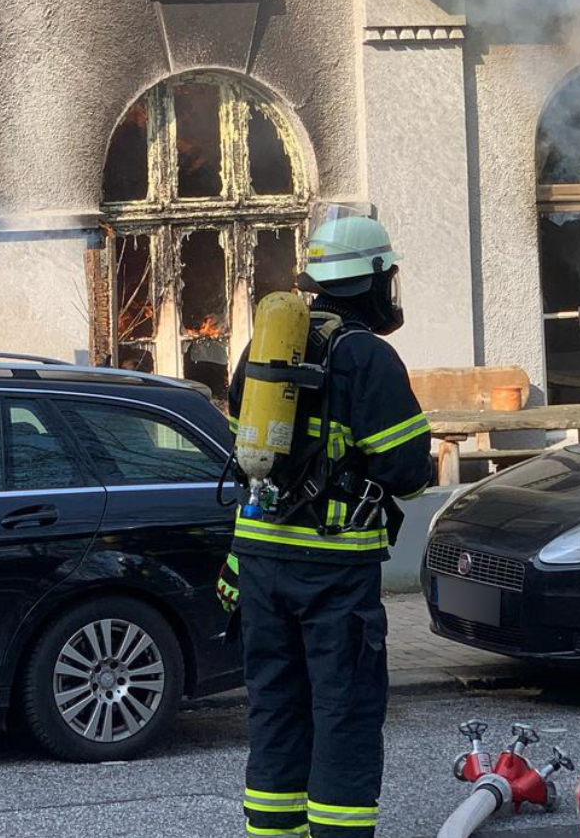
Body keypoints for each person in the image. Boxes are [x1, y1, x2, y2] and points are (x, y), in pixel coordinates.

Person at [216, 208, 433, 838]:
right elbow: (409, 472)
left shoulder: (266, 347)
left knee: (276, 709)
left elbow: (246, 448)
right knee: (345, 713)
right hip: (334, 569)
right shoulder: (368, 357)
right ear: (372, 279)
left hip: (261, 564)